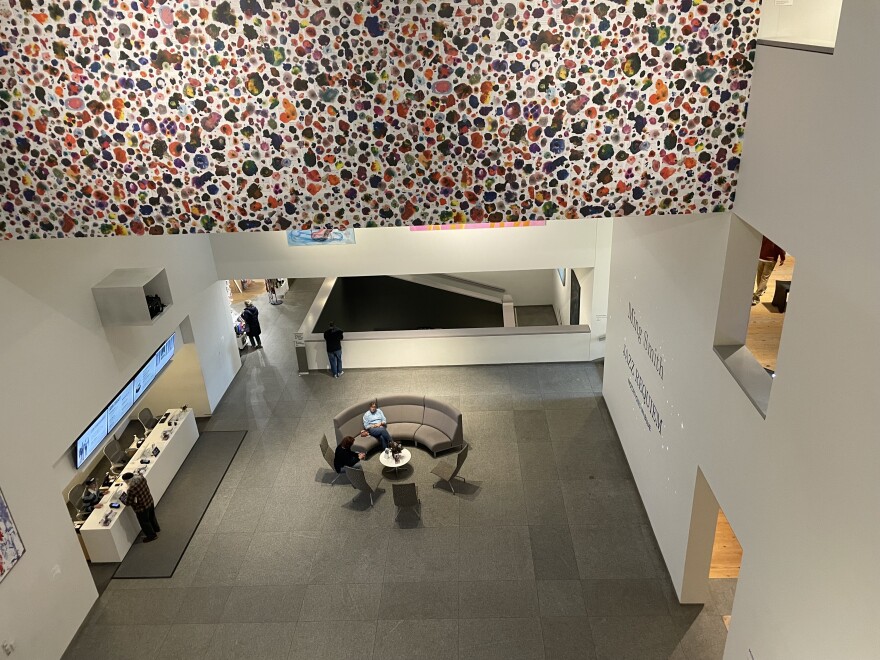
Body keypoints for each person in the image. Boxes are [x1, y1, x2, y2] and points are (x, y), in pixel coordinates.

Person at [121, 472, 161, 543]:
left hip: (142, 508)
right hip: (150, 501)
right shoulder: (142, 479)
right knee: (152, 516)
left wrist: (123, 499)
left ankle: (152, 536)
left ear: (127, 481)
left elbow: (128, 503)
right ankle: (156, 528)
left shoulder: (131, 489)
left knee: (144, 522)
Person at [753, 236, 786, 305]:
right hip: (770, 260)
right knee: (764, 277)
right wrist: (782, 258)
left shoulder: (764, 234)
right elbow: (781, 248)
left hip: (760, 258)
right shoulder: (778, 237)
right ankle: (756, 296)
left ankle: (762, 289)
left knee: (759, 275)